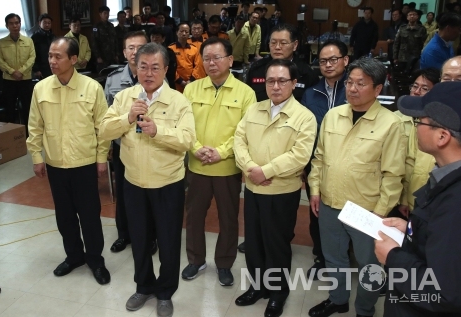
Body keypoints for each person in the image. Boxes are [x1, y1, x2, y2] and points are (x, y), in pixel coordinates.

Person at [99, 42, 196, 317]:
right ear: (135, 66)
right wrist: (128, 117)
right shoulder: (125, 97)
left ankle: (165, 292)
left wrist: (158, 130)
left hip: (168, 184)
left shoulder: (179, 100)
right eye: (143, 66)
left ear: (166, 69)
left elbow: (187, 139)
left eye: (155, 67)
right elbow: (105, 130)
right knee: (139, 240)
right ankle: (143, 286)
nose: (149, 73)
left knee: (168, 242)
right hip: (134, 183)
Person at [307, 58, 406, 317]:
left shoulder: (390, 124)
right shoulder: (333, 116)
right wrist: (315, 191)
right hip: (329, 202)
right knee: (334, 258)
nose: (352, 88)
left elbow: (393, 174)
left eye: (360, 83)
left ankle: (365, 309)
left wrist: (381, 212)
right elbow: (319, 158)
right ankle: (338, 300)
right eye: (349, 82)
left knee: (369, 264)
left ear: (378, 89)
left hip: (367, 209)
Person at [234, 59, 317, 317]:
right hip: (254, 189)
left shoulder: (305, 116)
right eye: (271, 80)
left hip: (282, 191)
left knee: (277, 244)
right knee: (255, 242)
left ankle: (278, 293)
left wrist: (265, 171)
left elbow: (300, 156)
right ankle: (257, 287)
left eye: (282, 81)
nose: (276, 86)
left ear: (294, 83)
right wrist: (250, 169)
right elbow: (239, 140)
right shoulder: (254, 109)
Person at [26, 37, 111, 285]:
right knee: (64, 216)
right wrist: (36, 156)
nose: (52, 61)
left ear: (73, 59)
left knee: (90, 215)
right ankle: (73, 256)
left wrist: (101, 158)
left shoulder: (92, 87)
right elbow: (35, 126)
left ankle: (95, 260)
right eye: (50, 56)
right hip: (55, 164)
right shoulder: (41, 88)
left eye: (58, 56)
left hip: (84, 163)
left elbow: (102, 127)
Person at [376, 82, 461, 317]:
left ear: (442, 136)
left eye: (419, 122)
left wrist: (392, 257)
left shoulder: (455, 204)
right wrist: (414, 229)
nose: (415, 128)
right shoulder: (445, 177)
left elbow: (442, 293)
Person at [181, 38, 256, 286]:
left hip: (227, 168)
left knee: (228, 218)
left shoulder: (246, 93)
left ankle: (224, 263)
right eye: (207, 58)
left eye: (217, 58)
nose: (211, 63)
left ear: (230, 60)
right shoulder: (191, 90)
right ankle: (196, 260)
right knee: (193, 217)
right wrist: (197, 148)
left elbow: (245, 132)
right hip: (197, 165)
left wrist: (221, 152)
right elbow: (183, 125)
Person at [105, 31, 159, 253]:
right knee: (125, 192)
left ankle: (151, 236)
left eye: (140, 47)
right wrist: (108, 146)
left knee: (149, 194)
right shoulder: (113, 79)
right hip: (122, 146)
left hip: (149, 145)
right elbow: (106, 117)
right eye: (131, 47)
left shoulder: (156, 75)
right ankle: (124, 234)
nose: (135, 51)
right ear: (124, 51)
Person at [300, 39, 350, 281]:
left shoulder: (354, 89)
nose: (328, 65)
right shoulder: (310, 93)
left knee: (348, 212)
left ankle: (346, 257)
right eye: (323, 61)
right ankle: (321, 257)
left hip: (349, 165)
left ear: (345, 60)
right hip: (316, 163)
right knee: (317, 212)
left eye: (333, 59)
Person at [394, 68, 439, 219]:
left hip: (423, 197)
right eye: (415, 86)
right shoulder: (395, 119)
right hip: (394, 193)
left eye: (425, 88)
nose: (417, 91)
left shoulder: (435, 126)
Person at [246, 23, 319, 102]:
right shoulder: (256, 69)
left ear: (295, 45)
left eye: (283, 43)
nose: (277, 47)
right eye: (273, 43)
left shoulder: (306, 74)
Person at [0, 13, 36, 125]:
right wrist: (13, 72)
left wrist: (21, 71)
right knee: (10, 110)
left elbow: (32, 58)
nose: (15, 26)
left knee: (28, 109)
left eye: (17, 23)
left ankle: (29, 136)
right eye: (11, 23)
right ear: (6, 25)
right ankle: (11, 136)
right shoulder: (1, 42)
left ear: (20, 24)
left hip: (25, 80)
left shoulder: (28, 41)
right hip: (9, 81)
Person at [169, 22, 206, 93]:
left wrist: (191, 80)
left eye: (186, 32)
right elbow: (170, 68)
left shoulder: (194, 49)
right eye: (181, 31)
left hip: (192, 82)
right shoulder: (171, 49)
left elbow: (198, 66)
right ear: (177, 32)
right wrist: (180, 81)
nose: (184, 34)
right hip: (175, 83)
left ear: (189, 34)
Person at [91, 6, 119, 72]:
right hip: (102, 56)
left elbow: (115, 40)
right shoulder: (96, 27)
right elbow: (94, 42)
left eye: (108, 13)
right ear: (100, 14)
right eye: (105, 13)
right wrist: (98, 56)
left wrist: (116, 54)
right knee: (103, 74)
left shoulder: (111, 26)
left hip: (112, 56)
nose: (107, 15)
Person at [31, 13, 55, 79]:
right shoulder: (35, 37)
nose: (47, 25)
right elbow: (32, 54)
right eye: (44, 23)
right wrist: (36, 69)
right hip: (41, 69)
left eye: (49, 23)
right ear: (39, 23)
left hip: (52, 66)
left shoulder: (53, 36)